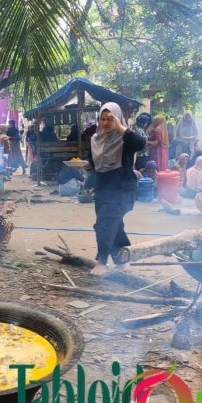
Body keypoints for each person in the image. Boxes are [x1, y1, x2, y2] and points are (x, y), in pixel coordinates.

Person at [89, 102, 146, 276]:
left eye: (110, 119)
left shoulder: (125, 139)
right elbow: (94, 165)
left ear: (118, 119)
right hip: (103, 189)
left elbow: (140, 144)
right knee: (115, 225)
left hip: (123, 189)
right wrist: (86, 169)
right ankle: (123, 260)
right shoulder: (95, 139)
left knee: (104, 224)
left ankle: (102, 261)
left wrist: (121, 127)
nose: (106, 123)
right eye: (103, 119)